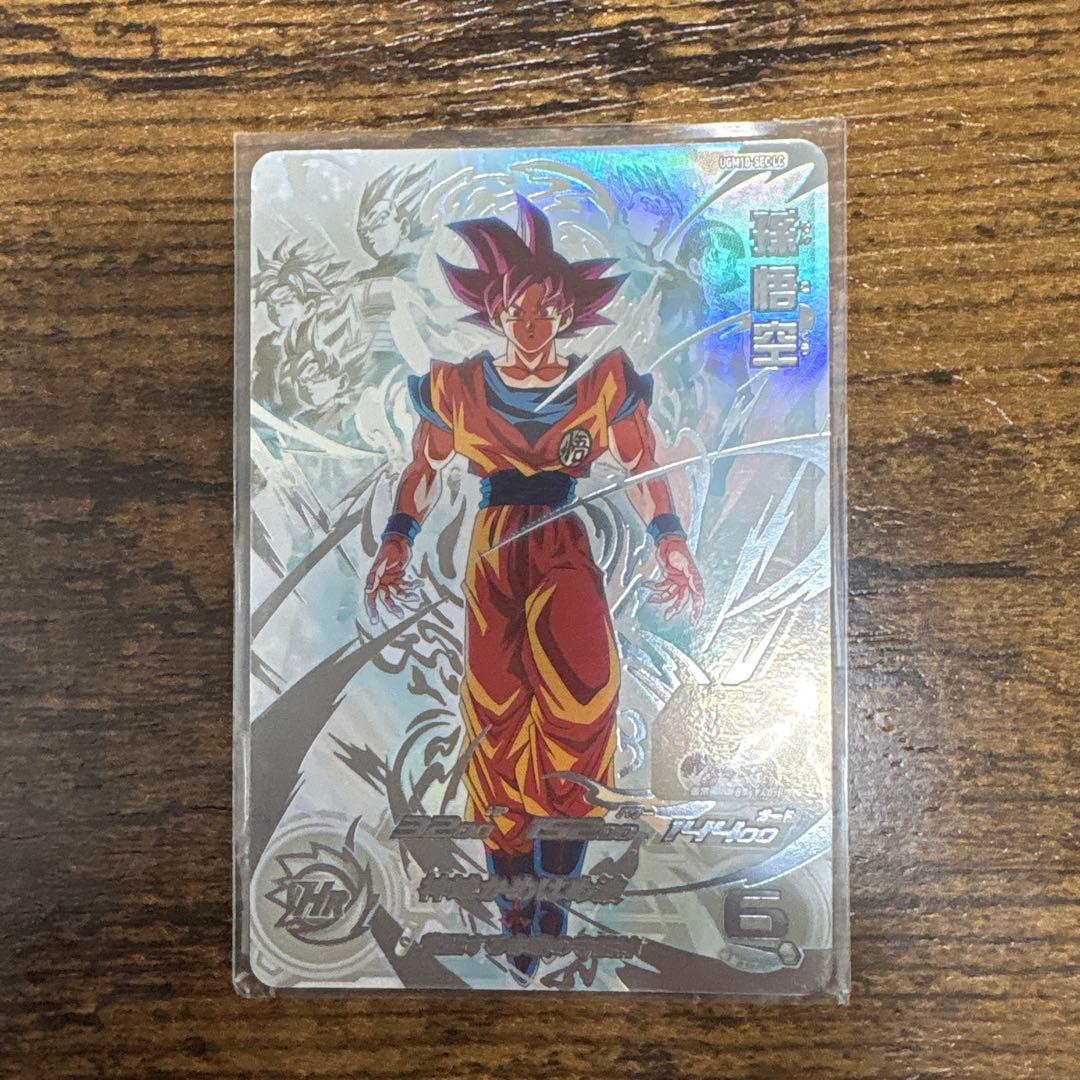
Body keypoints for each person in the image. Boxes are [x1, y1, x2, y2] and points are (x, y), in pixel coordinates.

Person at [365, 196, 704, 979]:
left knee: (583, 705)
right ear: (496, 311)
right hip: (494, 553)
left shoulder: (601, 381)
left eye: (546, 309)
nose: (530, 321)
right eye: (517, 308)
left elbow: (643, 463)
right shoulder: (456, 386)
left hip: (563, 543)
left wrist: (672, 542)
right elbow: (423, 469)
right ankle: (516, 909)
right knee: (498, 717)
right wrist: (396, 540)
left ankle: (554, 896)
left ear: (566, 315)